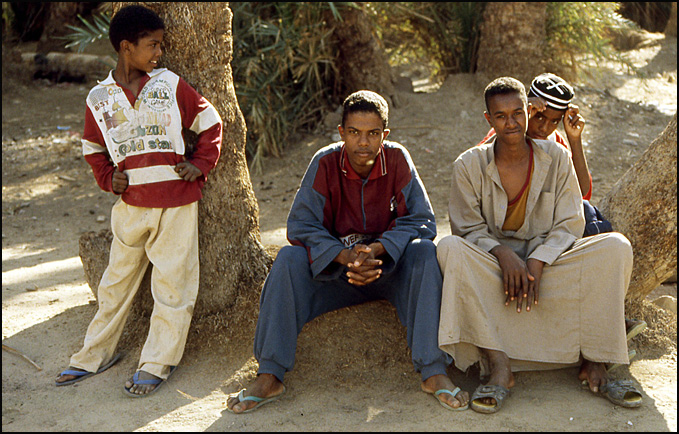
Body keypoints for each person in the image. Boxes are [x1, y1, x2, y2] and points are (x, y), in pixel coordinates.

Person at [226, 90, 469, 414]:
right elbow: (300, 225)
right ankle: (270, 375)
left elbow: (422, 220)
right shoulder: (324, 162)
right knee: (288, 259)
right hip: (336, 273)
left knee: (424, 251)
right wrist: (345, 256)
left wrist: (378, 249)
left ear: (385, 134)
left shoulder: (397, 160)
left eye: (372, 133)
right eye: (354, 132)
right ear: (341, 133)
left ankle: (433, 371)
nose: (363, 143)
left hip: (388, 269)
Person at [437, 77, 642, 414]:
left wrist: (539, 259)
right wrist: (503, 254)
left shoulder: (557, 156)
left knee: (616, 246)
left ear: (528, 112)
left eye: (517, 113)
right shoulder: (469, 165)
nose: (511, 123)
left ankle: (596, 359)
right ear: (488, 119)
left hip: (547, 264)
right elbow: (467, 228)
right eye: (501, 116)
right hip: (494, 267)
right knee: (449, 249)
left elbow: (571, 220)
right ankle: (499, 364)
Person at [55, 5, 223, 397]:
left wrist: (200, 164)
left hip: (176, 203)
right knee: (115, 283)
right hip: (130, 205)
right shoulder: (99, 97)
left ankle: (157, 362)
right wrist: (106, 177)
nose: (159, 52)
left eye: (161, 45)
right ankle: (92, 355)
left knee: (173, 285)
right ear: (126, 47)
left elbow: (211, 122)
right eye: (153, 45)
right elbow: (93, 148)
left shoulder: (169, 84)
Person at [478, 73, 644, 337]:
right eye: (539, 117)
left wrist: (574, 139)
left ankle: (610, 317)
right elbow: (479, 162)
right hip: (509, 233)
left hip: (548, 229)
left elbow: (582, 192)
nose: (544, 127)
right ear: (527, 109)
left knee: (589, 215)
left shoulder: (556, 142)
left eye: (554, 122)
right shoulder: (506, 134)